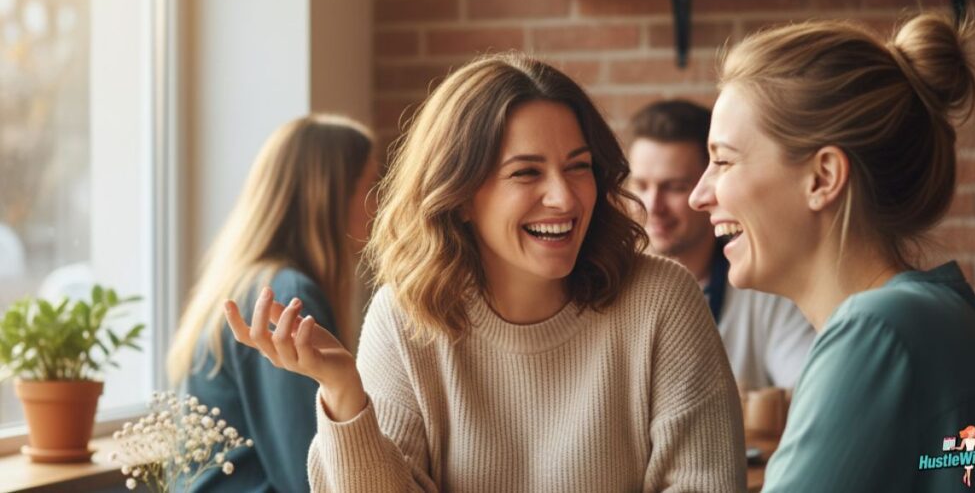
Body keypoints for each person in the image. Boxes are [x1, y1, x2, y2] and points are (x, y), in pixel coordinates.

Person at [225, 54, 746, 491]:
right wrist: (344, 394)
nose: (564, 197)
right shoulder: (404, 319)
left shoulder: (661, 299)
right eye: (526, 172)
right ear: (463, 195)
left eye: (578, 166)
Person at [689, 13, 975, 491]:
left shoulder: (877, 333)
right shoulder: (932, 314)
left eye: (723, 160)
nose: (698, 195)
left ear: (823, 178)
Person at [166, 114, 376, 492]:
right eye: (370, 186)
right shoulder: (286, 295)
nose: (379, 203)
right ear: (330, 195)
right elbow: (309, 476)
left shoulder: (249, 281)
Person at [627, 100, 815, 390]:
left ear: (710, 186)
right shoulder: (606, 288)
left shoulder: (766, 289)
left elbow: (807, 395)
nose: (653, 206)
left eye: (674, 187)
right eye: (641, 186)